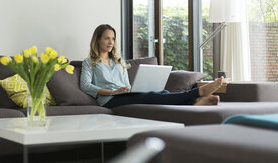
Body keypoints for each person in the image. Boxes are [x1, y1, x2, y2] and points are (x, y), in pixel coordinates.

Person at [80, 24, 223, 108]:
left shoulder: (119, 61)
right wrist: (112, 92)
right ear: (98, 40)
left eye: (113, 38)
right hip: (108, 101)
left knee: (163, 93)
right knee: (151, 95)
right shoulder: (89, 62)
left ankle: (195, 102)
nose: (111, 42)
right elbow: (85, 85)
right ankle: (196, 94)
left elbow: (126, 84)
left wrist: (127, 89)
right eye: (106, 38)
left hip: (124, 95)